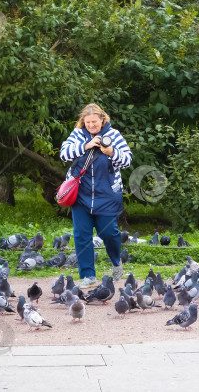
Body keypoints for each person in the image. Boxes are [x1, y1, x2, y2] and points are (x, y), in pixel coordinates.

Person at [60, 104, 132, 287]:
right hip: (80, 194)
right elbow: (64, 154)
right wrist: (86, 146)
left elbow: (127, 160)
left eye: (94, 122)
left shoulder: (113, 135)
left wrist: (112, 152)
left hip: (107, 195)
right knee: (81, 235)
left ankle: (116, 261)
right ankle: (88, 276)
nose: (91, 125)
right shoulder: (77, 134)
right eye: (87, 122)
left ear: (102, 119)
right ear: (83, 121)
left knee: (109, 233)